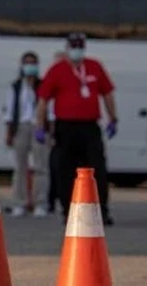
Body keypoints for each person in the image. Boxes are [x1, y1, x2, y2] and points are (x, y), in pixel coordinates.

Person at [35, 33, 118, 226]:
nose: (77, 50)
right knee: (65, 171)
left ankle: (101, 211)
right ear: (67, 48)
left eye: (80, 46)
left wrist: (113, 118)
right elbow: (43, 100)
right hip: (66, 127)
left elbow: (107, 94)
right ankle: (68, 211)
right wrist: (40, 126)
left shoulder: (95, 67)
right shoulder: (57, 70)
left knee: (97, 169)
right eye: (73, 46)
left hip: (89, 127)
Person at [3, 51, 49, 218]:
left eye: (33, 63)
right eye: (27, 63)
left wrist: (49, 131)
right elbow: (9, 111)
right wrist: (9, 133)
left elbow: (50, 109)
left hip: (39, 126)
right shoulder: (15, 87)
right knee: (20, 167)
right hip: (21, 127)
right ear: (22, 66)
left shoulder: (43, 86)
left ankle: (40, 203)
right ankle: (19, 203)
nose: (30, 67)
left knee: (41, 167)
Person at [46, 50, 66, 214]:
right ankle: (51, 200)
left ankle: (62, 199)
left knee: (63, 167)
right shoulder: (49, 83)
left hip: (65, 129)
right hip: (53, 131)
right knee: (52, 167)